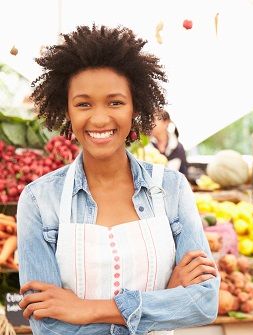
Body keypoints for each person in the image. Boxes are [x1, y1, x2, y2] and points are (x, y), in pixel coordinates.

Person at [17, 25, 219, 335]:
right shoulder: (38, 200)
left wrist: (86, 310)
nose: (99, 118)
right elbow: (49, 326)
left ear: (135, 107)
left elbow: (203, 303)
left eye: (115, 102)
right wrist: (164, 300)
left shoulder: (171, 189)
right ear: (67, 110)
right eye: (84, 104)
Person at [151, 110, 188, 177]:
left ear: (166, 122)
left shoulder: (177, 148)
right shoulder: (146, 146)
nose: (150, 123)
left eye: (154, 120)